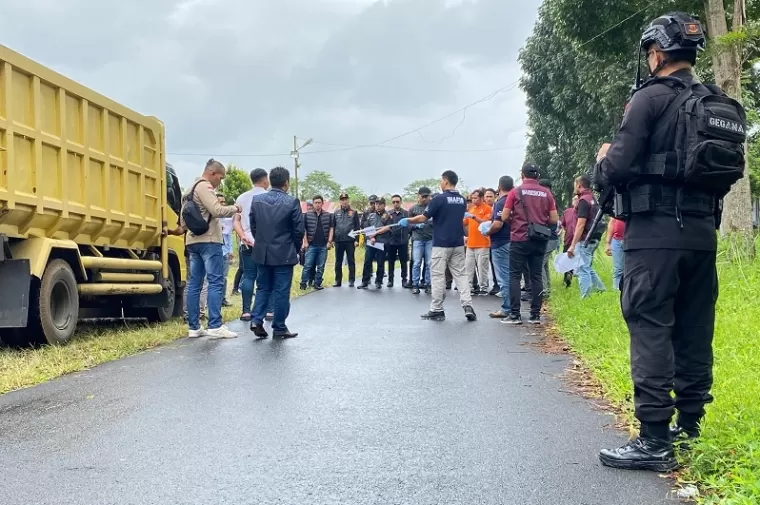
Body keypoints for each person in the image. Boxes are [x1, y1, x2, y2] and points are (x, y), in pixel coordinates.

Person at [594, 12, 745, 471]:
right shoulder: (719, 102)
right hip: (703, 236)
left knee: (651, 328)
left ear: (656, 52)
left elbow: (616, 167)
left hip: (655, 234)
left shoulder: (648, 98)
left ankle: (654, 439)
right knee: (694, 329)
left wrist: (602, 158)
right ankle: (690, 427)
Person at [401, 170, 476, 322]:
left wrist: (408, 220)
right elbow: (449, 218)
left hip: (441, 243)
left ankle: (437, 309)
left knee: (437, 275)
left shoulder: (439, 199)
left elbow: (423, 217)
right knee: (461, 275)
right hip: (458, 243)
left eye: (441, 181)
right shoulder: (462, 200)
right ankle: (467, 306)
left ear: (446, 181)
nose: (440, 183)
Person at [181, 159, 241, 339]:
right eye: (220, 178)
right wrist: (235, 208)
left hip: (192, 240)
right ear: (213, 173)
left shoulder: (188, 189)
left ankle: (194, 326)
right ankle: (215, 325)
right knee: (215, 282)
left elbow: (183, 221)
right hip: (209, 240)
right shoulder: (205, 187)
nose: (220, 182)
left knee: (194, 284)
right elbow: (216, 210)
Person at [248, 166, 304, 339]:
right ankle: (279, 327)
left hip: (262, 252)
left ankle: (256, 320)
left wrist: (262, 242)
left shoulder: (256, 200)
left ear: (270, 181)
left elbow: (254, 226)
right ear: (286, 183)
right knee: (281, 291)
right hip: (283, 253)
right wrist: (293, 248)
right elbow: (298, 231)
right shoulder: (292, 202)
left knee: (263, 287)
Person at [501, 163, 558, 325]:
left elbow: (504, 216)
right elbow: (554, 219)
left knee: (514, 276)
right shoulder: (546, 193)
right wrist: (539, 222)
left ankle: (515, 315)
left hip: (519, 238)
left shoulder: (515, 192)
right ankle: (535, 315)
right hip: (539, 239)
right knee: (536, 276)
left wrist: (516, 222)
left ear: (522, 175)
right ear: (537, 176)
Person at [233, 168, 272, 321]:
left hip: (247, 243)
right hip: (266, 243)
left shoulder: (241, 198)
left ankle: (246, 311)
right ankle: (268, 311)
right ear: (264, 180)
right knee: (267, 277)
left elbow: (236, 221)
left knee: (249, 276)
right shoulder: (269, 196)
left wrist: (243, 236)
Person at [567, 175, 607, 298]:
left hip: (585, 239)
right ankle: (601, 288)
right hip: (594, 237)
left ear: (579, 185)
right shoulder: (593, 198)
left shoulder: (583, 201)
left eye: (575, 185)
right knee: (587, 265)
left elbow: (580, 224)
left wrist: (572, 245)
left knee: (582, 269)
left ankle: (585, 297)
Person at [484, 176, 514, 319]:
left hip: (501, 242)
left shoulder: (501, 202)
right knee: (513, 275)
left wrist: (487, 232)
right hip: (514, 240)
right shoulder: (516, 200)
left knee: (504, 277)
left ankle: (507, 308)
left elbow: (497, 224)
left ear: (499, 186)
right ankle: (514, 307)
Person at [300, 195, 333, 290]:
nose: (317, 204)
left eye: (319, 203)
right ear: (313, 204)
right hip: (311, 245)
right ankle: (303, 284)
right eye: (316, 203)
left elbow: (331, 228)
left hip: (323, 245)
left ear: (322, 203)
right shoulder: (307, 215)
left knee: (321, 266)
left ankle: (317, 283)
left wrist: (329, 241)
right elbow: (304, 229)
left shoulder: (328, 215)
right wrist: (305, 242)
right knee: (307, 266)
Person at [358, 198, 391, 289]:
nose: (378, 206)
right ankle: (365, 281)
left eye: (380, 204)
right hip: (371, 242)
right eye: (376, 204)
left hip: (382, 242)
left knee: (380, 263)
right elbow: (367, 228)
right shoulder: (370, 215)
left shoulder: (388, 215)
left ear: (384, 205)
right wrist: (371, 237)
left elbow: (387, 228)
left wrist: (375, 233)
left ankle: (378, 281)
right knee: (367, 261)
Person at [464, 189, 492, 295]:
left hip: (483, 243)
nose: (473, 200)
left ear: (481, 198)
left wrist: (474, 217)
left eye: (476, 198)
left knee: (482, 267)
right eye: (472, 198)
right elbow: (465, 222)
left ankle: (483, 287)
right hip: (470, 243)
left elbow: (487, 222)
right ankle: (469, 287)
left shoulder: (488, 209)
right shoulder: (471, 209)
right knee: (469, 267)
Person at [331, 192, 360, 287]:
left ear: (348, 200)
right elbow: (333, 226)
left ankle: (351, 280)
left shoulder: (354, 212)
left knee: (351, 261)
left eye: (345, 199)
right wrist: (333, 240)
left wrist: (357, 240)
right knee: (338, 261)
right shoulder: (336, 213)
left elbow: (357, 227)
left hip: (350, 240)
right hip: (339, 240)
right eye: (342, 200)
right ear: (340, 201)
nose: (344, 201)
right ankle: (338, 280)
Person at [408, 187, 433, 295]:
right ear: (418, 196)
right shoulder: (413, 209)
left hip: (430, 238)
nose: (424, 199)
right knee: (417, 262)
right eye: (422, 196)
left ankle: (428, 284)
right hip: (417, 239)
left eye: (426, 196)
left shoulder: (432, 208)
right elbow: (408, 225)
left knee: (429, 263)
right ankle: (415, 284)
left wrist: (431, 223)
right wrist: (416, 226)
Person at [538, 179, 558, 299]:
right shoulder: (550, 200)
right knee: (544, 265)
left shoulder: (549, 201)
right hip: (550, 237)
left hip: (549, 237)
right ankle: (547, 289)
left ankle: (544, 291)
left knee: (539, 264)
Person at [386, 194, 410, 288]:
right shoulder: (388, 214)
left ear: (401, 202)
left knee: (403, 262)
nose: (396, 203)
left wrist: (408, 236)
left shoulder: (406, 214)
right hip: (391, 242)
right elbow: (384, 226)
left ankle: (404, 280)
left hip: (402, 242)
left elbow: (410, 226)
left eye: (397, 201)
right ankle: (390, 280)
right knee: (391, 262)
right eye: (394, 202)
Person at [218, 192, 235, 307]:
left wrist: (230, 250)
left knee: (224, 277)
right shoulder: (212, 217)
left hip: (224, 252)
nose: (223, 204)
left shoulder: (227, 219)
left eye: (224, 202)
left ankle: (222, 299)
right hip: (215, 251)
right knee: (213, 278)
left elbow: (228, 236)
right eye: (220, 202)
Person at [559, 195, 579, 288]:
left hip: (579, 241)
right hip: (568, 239)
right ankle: (566, 281)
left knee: (578, 262)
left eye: (578, 199)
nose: (576, 201)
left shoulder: (582, 212)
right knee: (566, 260)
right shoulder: (567, 212)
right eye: (574, 199)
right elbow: (563, 225)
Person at [605, 217, 625, 290]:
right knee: (618, 269)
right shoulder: (616, 206)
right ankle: (617, 289)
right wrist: (608, 243)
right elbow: (612, 222)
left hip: (631, 239)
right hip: (616, 240)